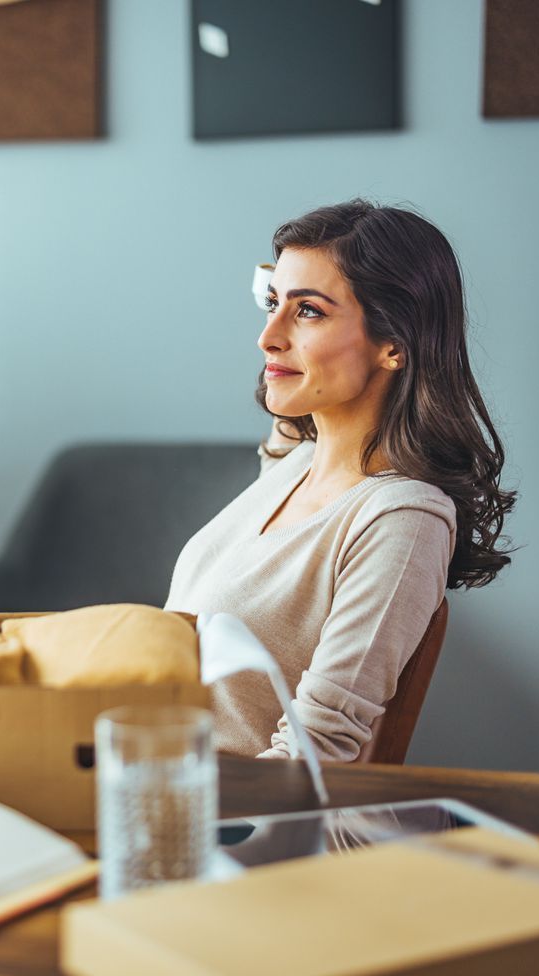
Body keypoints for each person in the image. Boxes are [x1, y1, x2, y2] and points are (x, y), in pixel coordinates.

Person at [165, 198, 514, 762]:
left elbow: (316, 752)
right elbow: (287, 401)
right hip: (159, 786)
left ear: (394, 345)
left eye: (309, 312)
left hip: (255, 829)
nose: (267, 336)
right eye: (272, 304)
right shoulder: (296, 462)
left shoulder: (403, 521)